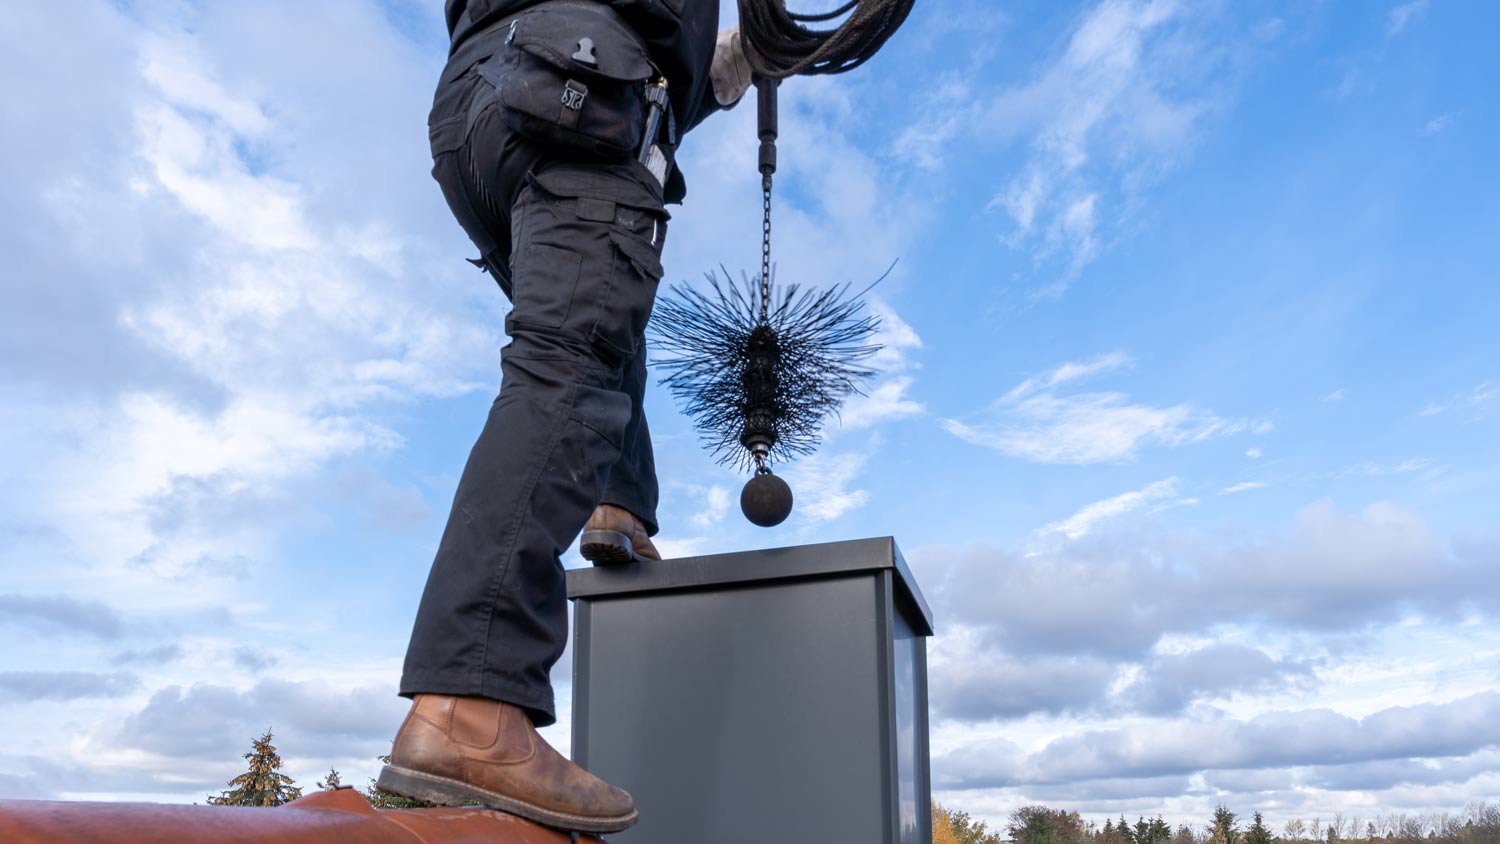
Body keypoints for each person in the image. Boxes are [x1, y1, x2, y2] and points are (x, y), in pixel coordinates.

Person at [375, 0, 754, 835]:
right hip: (582, 81)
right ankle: (469, 705)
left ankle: (620, 505)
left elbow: (675, 60)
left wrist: (735, 61)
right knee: (568, 362)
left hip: (482, 109)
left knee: (596, 323)